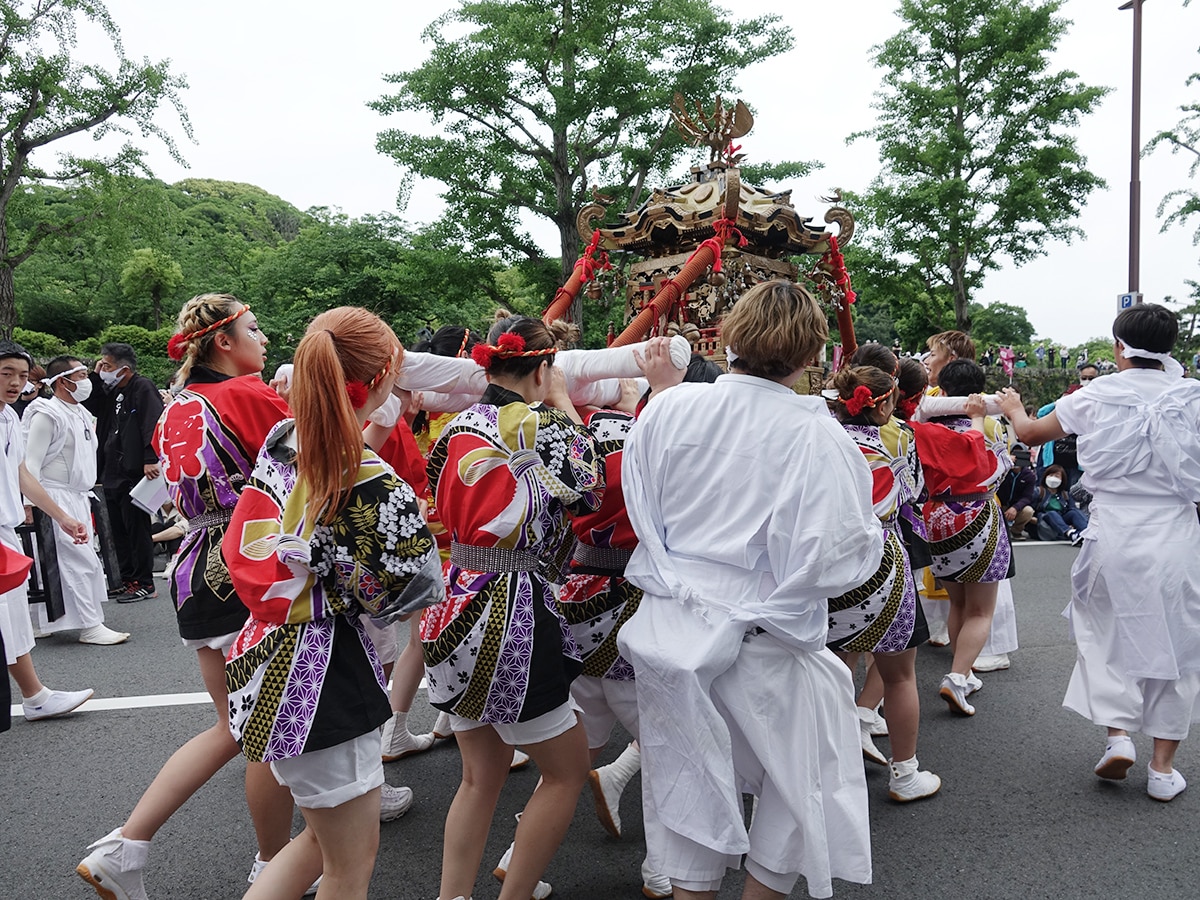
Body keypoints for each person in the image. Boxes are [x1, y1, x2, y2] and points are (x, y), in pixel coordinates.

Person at [619, 280, 883, 900]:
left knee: (686, 777)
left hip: (672, 626)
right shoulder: (815, 434)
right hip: (764, 635)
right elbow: (836, 553)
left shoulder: (668, 408)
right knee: (801, 782)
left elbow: (642, 505)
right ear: (811, 352)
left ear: (732, 335)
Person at [77, 296, 303, 900]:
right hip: (248, 556)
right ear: (224, 342)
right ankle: (272, 862)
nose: (264, 336)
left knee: (236, 723)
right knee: (266, 728)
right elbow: (315, 466)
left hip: (194, 565)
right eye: (254, 328)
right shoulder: (250, 396)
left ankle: (127, 846)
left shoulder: (179, 402)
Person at [223, 307, 443, 899]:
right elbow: (412, 593)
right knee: (348, 862)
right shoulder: (369, 477)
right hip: (321, 670)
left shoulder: (283, 441)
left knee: (322, 842)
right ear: (378, 381)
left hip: (263, 648)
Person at [421, 314, 605, 900]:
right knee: (567, 769)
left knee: (479, 776)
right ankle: (515, 893)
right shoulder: (547, 428)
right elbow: (593, 487)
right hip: (514, 607)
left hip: (455, 597)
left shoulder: (455, 428)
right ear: (544, 365)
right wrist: (559, 403)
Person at [998, 302, 1200, 801]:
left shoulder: (1096, 393)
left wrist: (1012, 407)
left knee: (1104, 631)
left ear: (1118, 348)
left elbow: (1029, 434)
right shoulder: (1193, 397)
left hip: (1112, 529)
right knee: (1178, 642)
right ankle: (1161, 768)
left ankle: (1117, 737)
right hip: (1175, 531)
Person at [826, 364, 940, 802]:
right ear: (888, 402)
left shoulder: (821, 441)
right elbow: (913, 492)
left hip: (829, 562)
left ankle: (824, 770)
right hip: (883, 563)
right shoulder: (899, 442)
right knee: (899, 675)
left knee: (828, 671)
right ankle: (905, 774)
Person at [911, 359, 1013, 716]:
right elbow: (999, 471)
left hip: (937, 516)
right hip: (977, 513)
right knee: (981, 610)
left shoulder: (923, 428)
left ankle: (964, 673)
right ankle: (956, 676)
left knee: (957, 602)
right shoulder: (991, 427)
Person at [0, 340, 94, 722]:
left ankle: (35, 695)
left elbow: (21, 472)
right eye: (6, 373)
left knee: (13, 615)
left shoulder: (8, 417)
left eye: (21, 376)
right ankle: (35, 695)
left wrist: (59, 515)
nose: (14, 383)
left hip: (5, 529)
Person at [22, 356, 129, 644]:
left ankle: (47, 622)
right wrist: (29, 504)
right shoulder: (46, 413)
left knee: (75, 560)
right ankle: (89, 625)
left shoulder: (80, 412)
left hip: (79, 496)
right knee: (72, 560)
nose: (86, 381)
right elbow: (30, 463)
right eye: (80, 375)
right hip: (52, 494)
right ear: (62, 381)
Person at [83, 343, 164, 602]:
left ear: (124, 369)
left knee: (136, 528)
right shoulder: (110, 391)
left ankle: (144, 581)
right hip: (110, 470)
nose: (102, 369)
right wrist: (96, 376)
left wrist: (151, 458)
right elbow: (91, 404)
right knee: (115, 528)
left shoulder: (142, 387)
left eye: (106, 366)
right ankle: (125, 579)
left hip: (134, 470)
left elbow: (153, 421)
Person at [1035, 464, 1088, 544]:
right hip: (1044, 518)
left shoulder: (1065, 494)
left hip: (1061, 518)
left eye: (1057, 476)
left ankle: (1086, 532)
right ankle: (1070, 533)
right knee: (1052, 513)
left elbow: (1072, 508)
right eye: (1051, 475)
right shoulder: (1039, 492)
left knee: (1074, 512)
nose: (1053, 478)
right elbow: (1032, 508)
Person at [996, 444, 1038, 541]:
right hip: (1000, 503)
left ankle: (1016, 531)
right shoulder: (1001, 470)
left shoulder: (1029, 475)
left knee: (1028, 511)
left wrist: (1015, 508)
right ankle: (998, 530)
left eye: (1020, 455)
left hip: (1016, 506)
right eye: (1014, 455)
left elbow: (1027, 497)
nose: (1016, 458)